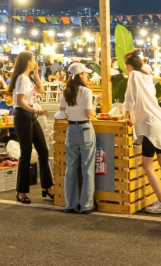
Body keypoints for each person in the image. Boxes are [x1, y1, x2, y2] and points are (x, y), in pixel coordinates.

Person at [123, 52, 161, 214]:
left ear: (129, 66)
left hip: (150, 126)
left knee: (147, 164)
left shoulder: (133, 75)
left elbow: (129, 97)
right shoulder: (147, 76)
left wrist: (126, 114)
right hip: (159, 122)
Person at [7, 51, 54, 204]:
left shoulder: (28, 78)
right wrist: (36, 111)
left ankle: (47, 187)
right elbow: (20, 101)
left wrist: (36, 73)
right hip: (23, 115)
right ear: (28, 61)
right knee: (26, 153)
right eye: (34, 60)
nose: (35, 62)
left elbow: (41, 90)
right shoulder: (21, 78)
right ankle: (20, 191)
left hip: (31, 116)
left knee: (43, 150)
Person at [60, 63, 96, 213]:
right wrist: (96, 103)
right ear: (80, 75)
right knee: (87, 168)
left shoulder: (65, 92)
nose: (88, 76)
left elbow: (62, 112)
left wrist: (72, 115)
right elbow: (89, 114)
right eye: (86, 74)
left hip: (71, 129)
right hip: (85, 129)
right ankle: (86, 205)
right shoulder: (86, 92)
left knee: (71, 168)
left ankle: (70, 204)